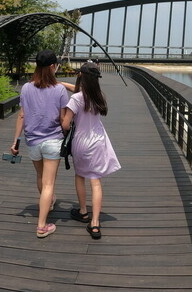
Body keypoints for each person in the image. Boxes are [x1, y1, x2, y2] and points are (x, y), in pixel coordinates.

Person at [11, 50, 73, 238]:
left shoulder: (26, 88)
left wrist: (15, 141)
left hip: (33, 141)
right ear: (53, 66)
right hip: (53, 140)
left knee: (41, 177)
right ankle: (42, 225)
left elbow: (22, 115)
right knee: (49, 184)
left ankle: (49, 202)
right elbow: (63, 119)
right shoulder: (60, 90)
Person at [60, 61, 120, 239]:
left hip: (81, 142)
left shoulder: (76, 99)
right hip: (98, 141)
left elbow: (65, 124)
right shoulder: (99, 95)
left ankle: (83, 211)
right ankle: (95, 223)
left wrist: (63, 117)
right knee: (95, 181)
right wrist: (65, 85)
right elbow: (81, 93)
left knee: (80, 176)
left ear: (81, 76)